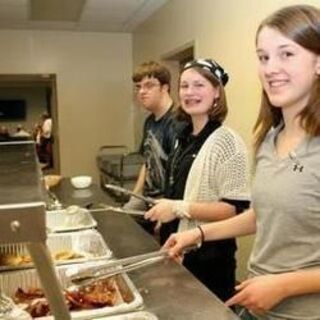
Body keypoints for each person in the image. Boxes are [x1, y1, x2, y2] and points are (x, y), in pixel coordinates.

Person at [163, 5, 320, 320]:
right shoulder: (269, 139)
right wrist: (198, 234)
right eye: (263, 57)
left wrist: (285, 286)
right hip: (258, 309)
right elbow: (263, 215)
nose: (270, 68)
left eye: (286, 54)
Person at [145, 58, 250, 302]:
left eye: (199, 85)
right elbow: (181, 191)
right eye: (184, 86)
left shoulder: (227, 142)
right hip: (176, 249)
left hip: (209, 260)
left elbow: (234, 210)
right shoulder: (182, 136)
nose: (190, 92)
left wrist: (177, 208)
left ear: (216, 92)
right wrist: (166, 213)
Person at [123, 61, 180, 235]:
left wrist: (167, 210)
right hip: (147, 198)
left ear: (165, 87)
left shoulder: (177, 122)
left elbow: (180, 174)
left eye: (149, 86)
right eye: (138, 87)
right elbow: (147, 163)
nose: (141, 91)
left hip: (168, 203)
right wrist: (135, 197)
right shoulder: (149, 122)